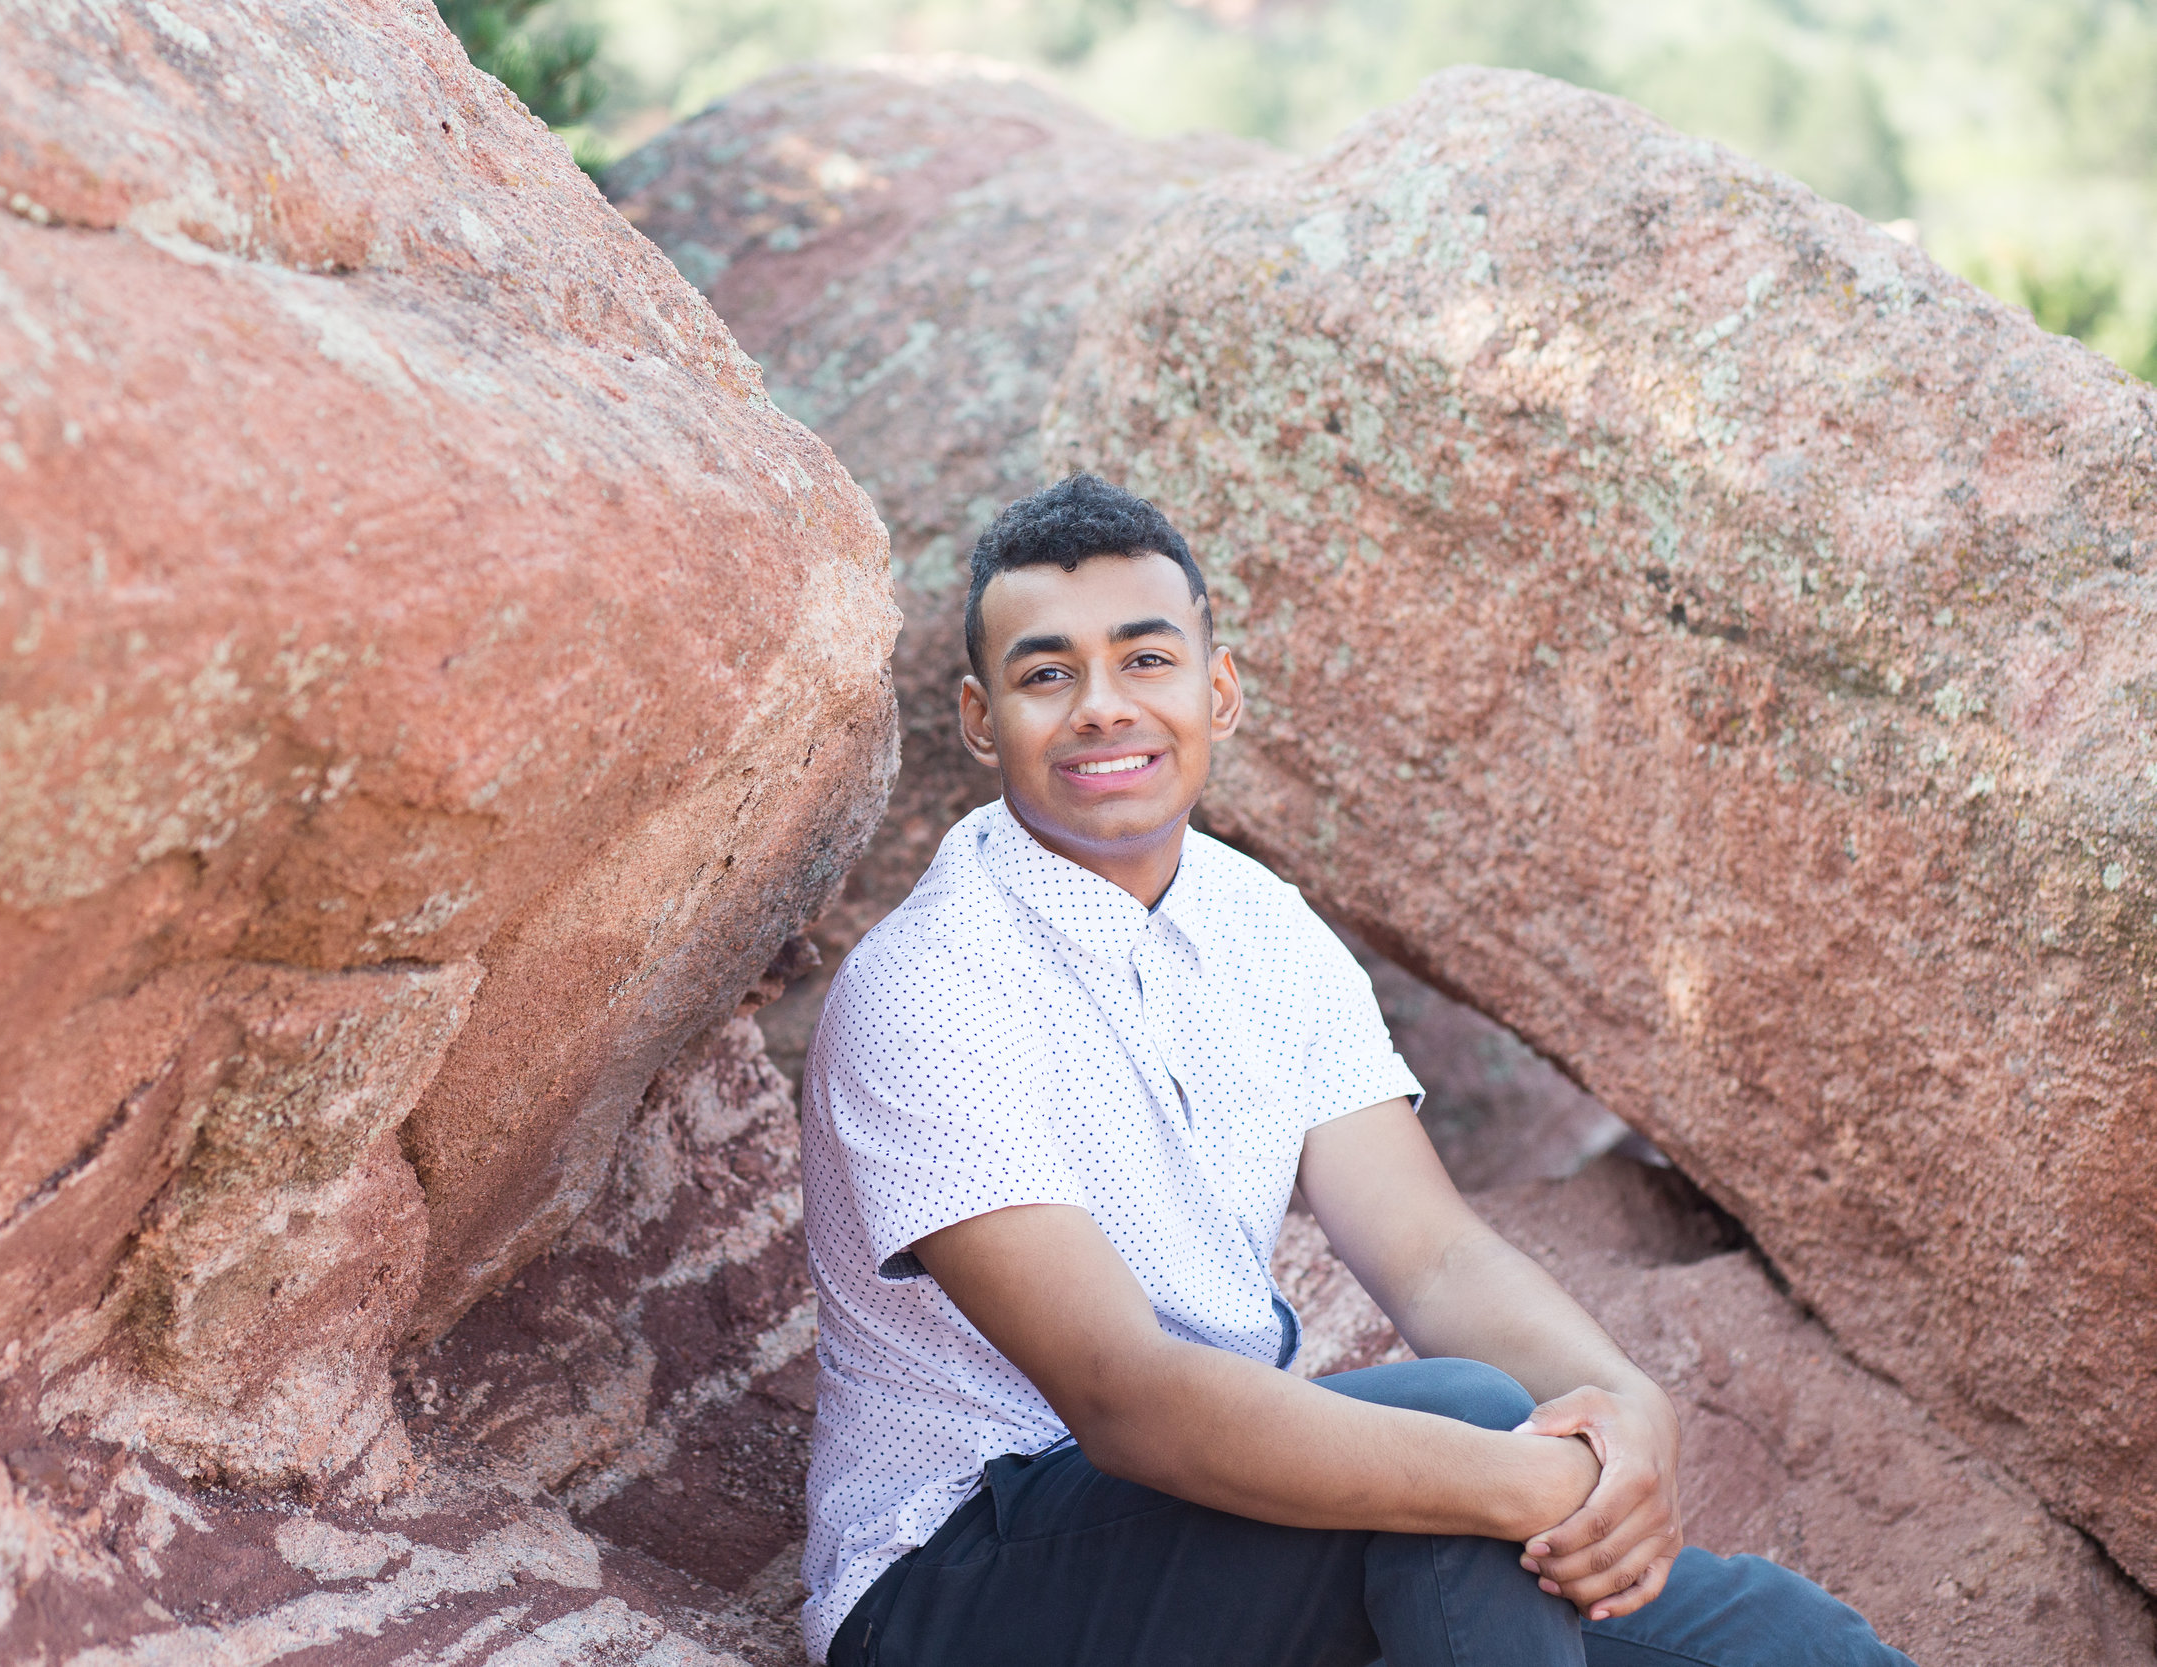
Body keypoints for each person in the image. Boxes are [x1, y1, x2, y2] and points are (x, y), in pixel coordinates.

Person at [795, 475, 1915, 1667]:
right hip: (954, 1583)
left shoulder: (1259, 924)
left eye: (1146, 660)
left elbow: (1433, 1250)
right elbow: (1124, 1397)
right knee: (1458, 1440)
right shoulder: (928, 983)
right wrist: (1510, 1478)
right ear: (981, 718)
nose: (1102, 708)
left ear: (1216, 690)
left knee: (1787, 1641)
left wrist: (1626, 1409)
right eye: (1045, 674)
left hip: (1232, 1536)